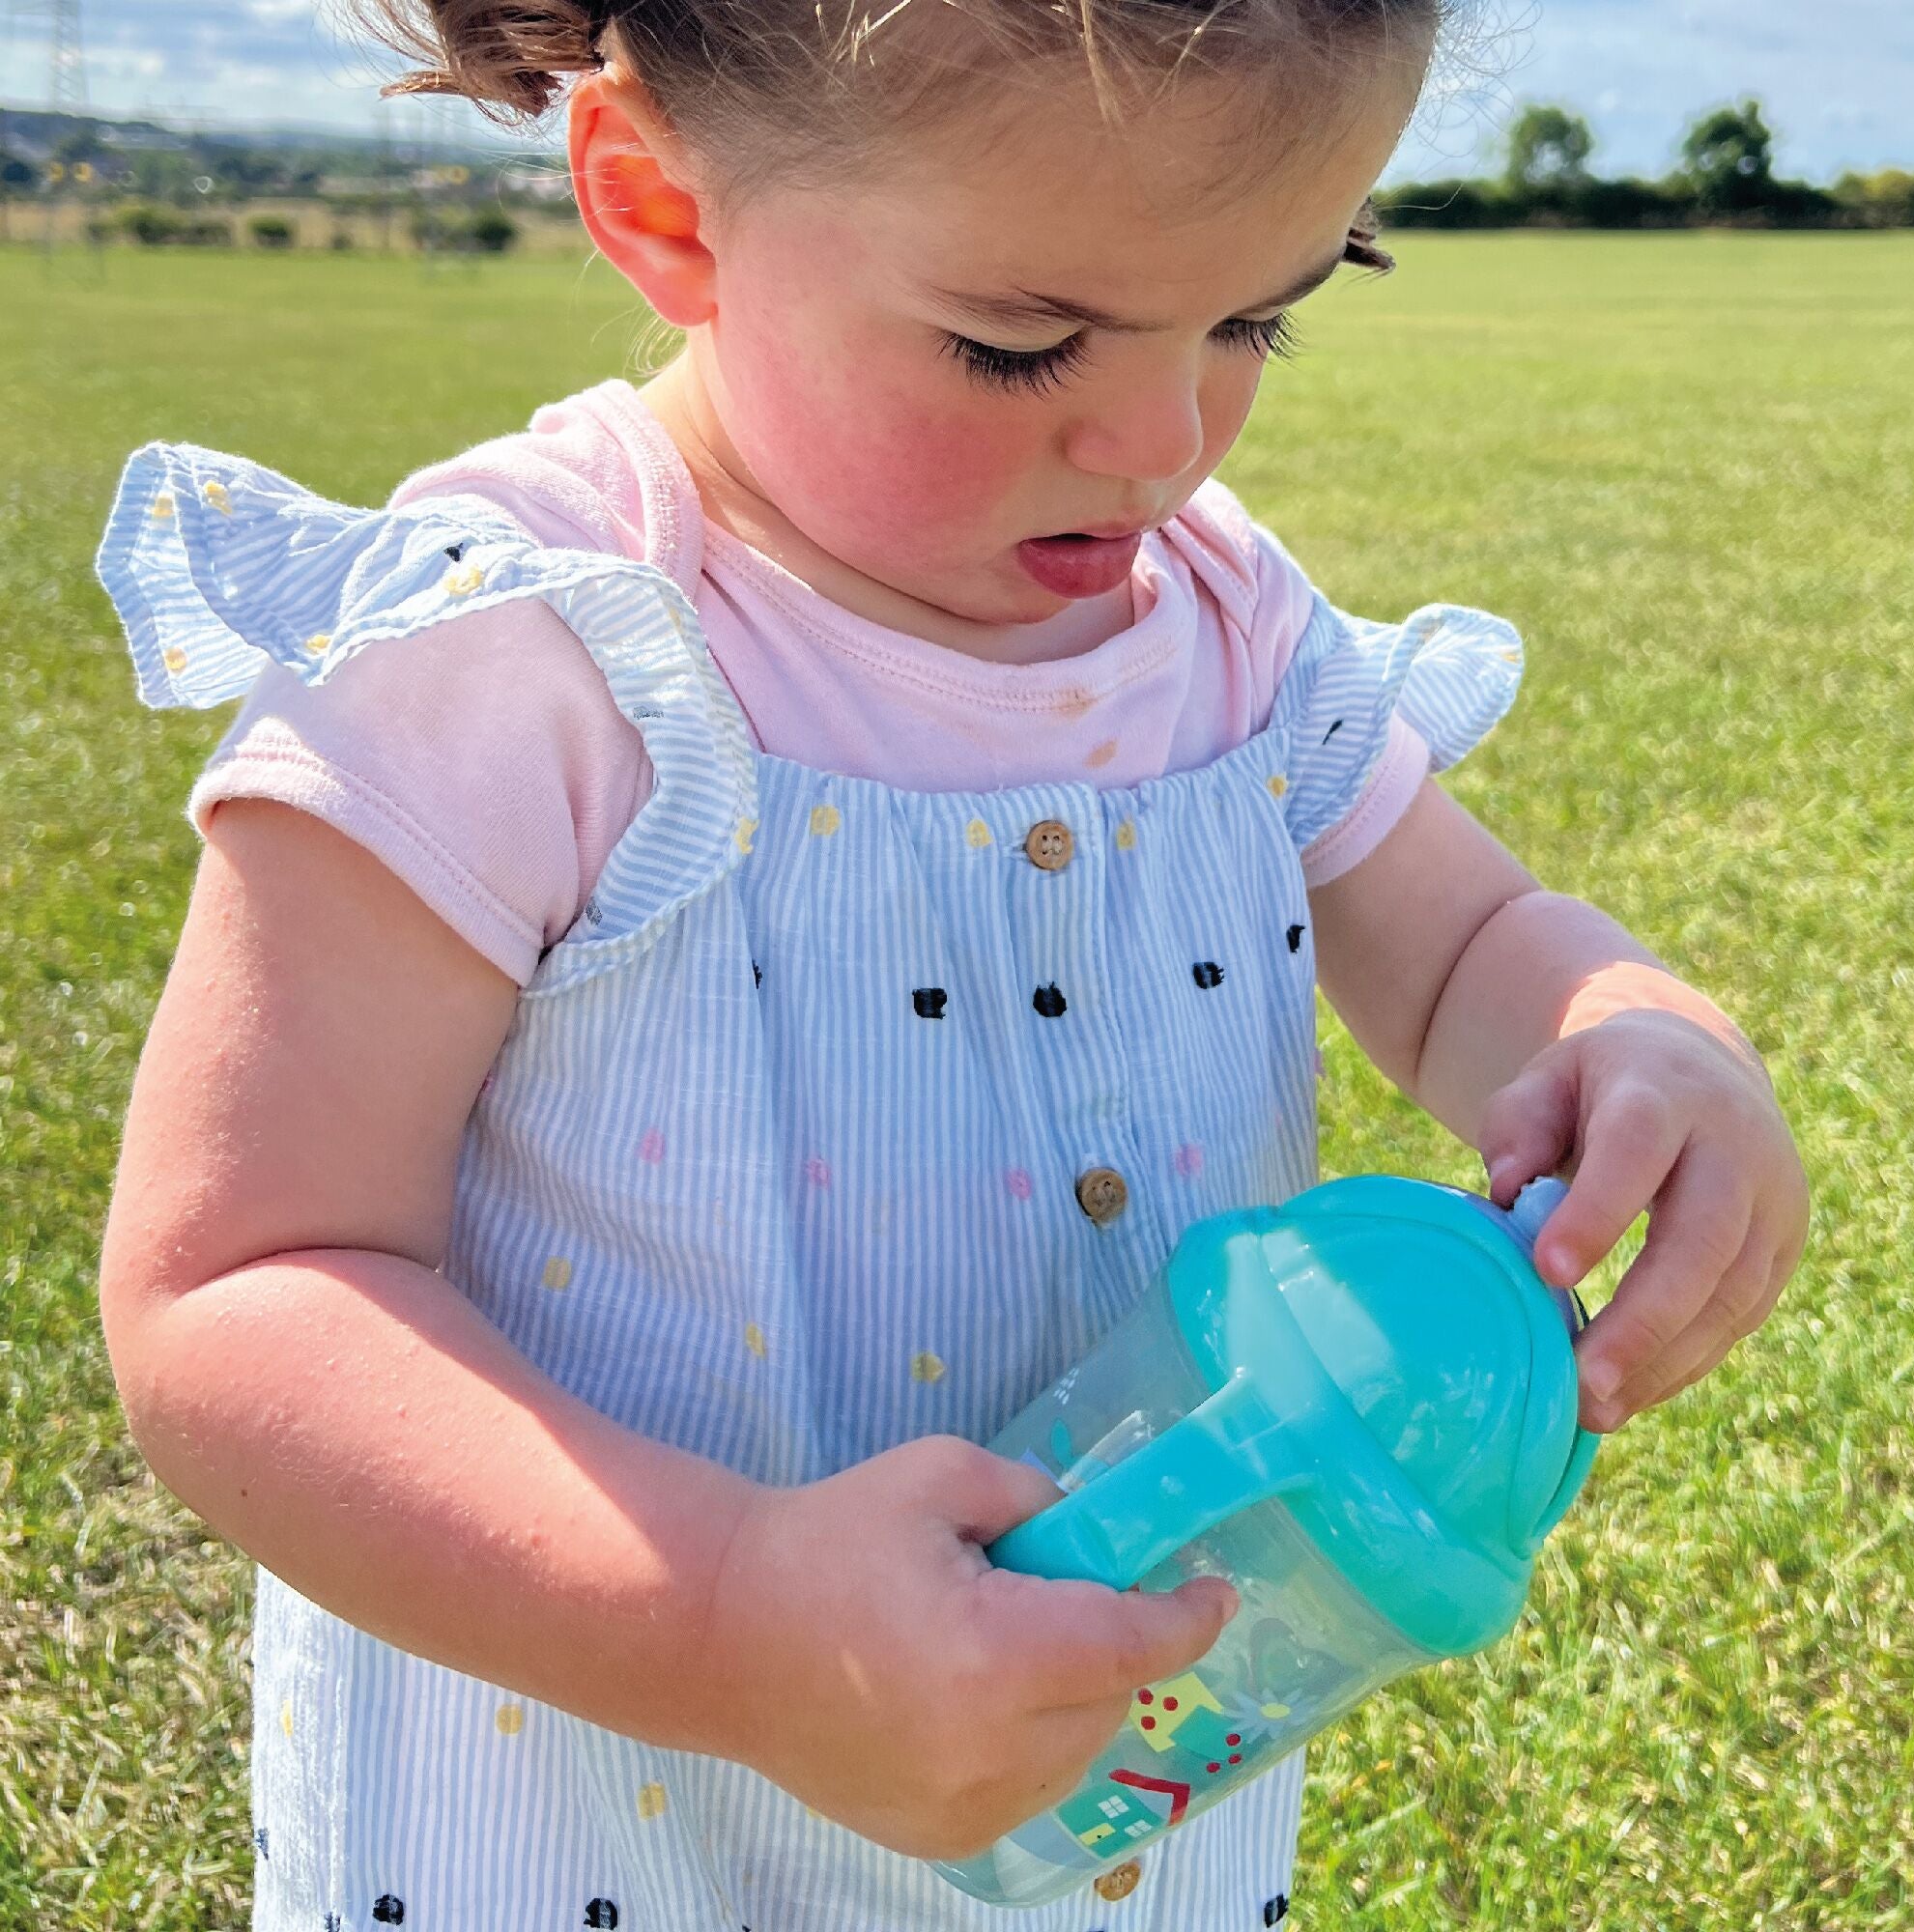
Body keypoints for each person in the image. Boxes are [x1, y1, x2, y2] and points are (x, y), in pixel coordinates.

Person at [89, 0, 1810, 1924]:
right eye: (1019, 343)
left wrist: (1638, 1031)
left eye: (1257, 317)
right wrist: (732, 1621)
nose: (1161, 445)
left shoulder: (1230, 636)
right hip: (597, 1805)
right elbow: (239, 1287)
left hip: (1094, 1803)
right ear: (662, 206)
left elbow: (1471, 938)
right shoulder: (523, 648)